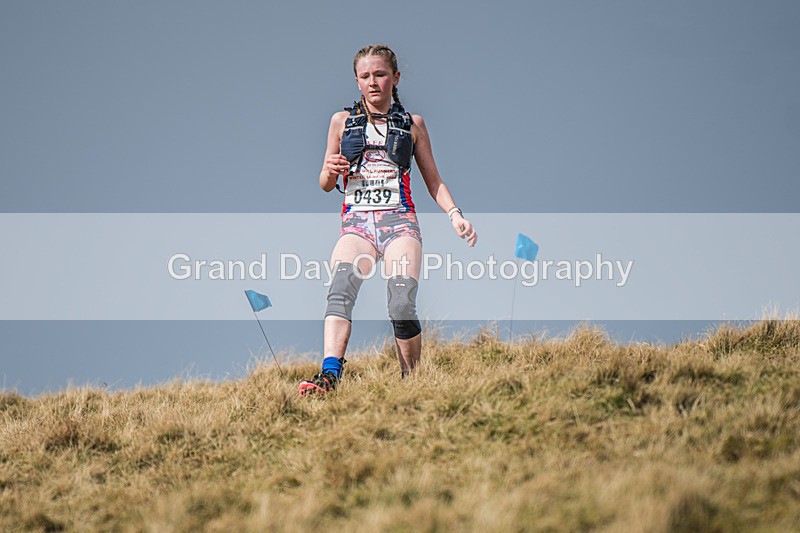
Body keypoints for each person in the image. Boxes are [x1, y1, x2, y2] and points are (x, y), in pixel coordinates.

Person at [298, 44, 477, 396]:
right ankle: (330, 376)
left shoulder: (413, 125)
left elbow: (433, 180)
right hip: (357, 225)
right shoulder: (341, 121)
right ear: (357, 81)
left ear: (395, 78)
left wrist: (455, 215)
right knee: (339, 291)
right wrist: (330, 172)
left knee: (400, 302)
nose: (373, 83)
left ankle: (412, 383)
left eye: (380, 75)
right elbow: (325, 182)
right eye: (365, 77)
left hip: (400, 224)